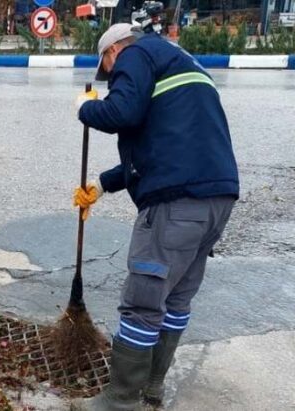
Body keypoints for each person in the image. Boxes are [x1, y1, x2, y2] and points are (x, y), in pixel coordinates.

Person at [70, 23, 239, 410]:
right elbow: (161, 148)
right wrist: (101, 184)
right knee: (176, 299)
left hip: (175, 203)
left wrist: (86, 109)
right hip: (216, 199)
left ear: (113, 51)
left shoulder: (136, 54)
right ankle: (151, 388)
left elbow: (122, 112)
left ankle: (119, 400)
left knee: (144, 301)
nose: (112, 76)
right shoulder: (183, 63)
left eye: (108, 70)